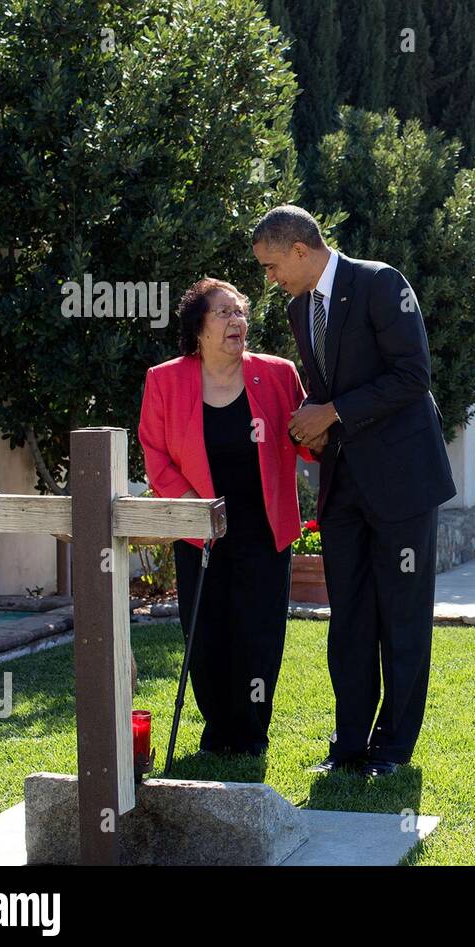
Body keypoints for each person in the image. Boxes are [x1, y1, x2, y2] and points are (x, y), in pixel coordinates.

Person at [252, 205, 455, 778]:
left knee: (403, 617)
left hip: (401, 481)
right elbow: (325, 392)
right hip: (342, 487)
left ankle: (393, 749)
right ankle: (348, 745)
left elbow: (413, 377)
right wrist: (315, 424)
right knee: (350, 620)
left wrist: (332, 412)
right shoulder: (299, 308)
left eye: (271, 266)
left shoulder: (381, 283)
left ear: (299, 249)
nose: (271, 280)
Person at [138, 278, 314, 756]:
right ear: (198, 327)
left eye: (241, 312)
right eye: (224, 313)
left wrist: (322, 432)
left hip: (264, 529)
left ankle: (253, 733)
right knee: (206, 634)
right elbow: (156, 456)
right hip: (200, 532)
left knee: (259, 635)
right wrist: (200, 512)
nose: (238, 321)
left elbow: (307, 440)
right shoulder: (164, 380)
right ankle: (218, 733)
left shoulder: (278, 374)